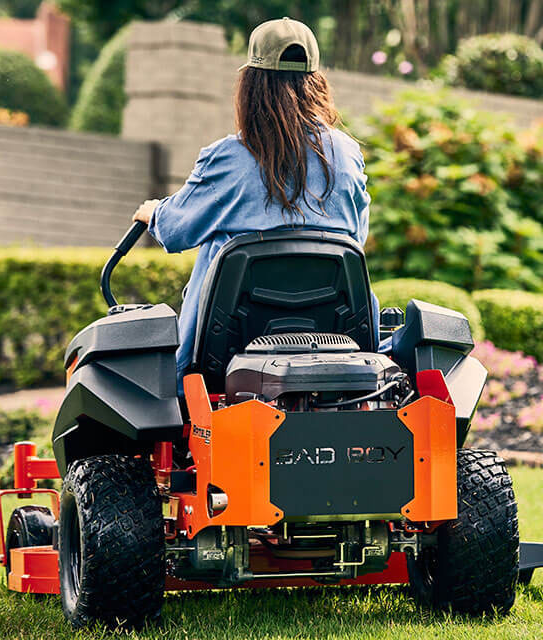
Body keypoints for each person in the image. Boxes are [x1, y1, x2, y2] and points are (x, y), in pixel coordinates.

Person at [132, 17, 374, 385]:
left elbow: (176, 230)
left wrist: (154, 213)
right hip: (342, 349)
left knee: (224, 243)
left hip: (223, 360)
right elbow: (355, 235)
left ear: (251, 84)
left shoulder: (229, 157)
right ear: (316, 82)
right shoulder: (346, 153)